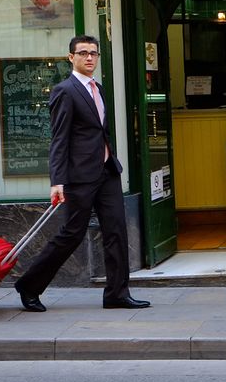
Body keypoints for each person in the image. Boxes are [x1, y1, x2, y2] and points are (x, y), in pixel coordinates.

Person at [15, 35, 149, 311]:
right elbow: (59, 139)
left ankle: (116, 293)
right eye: (83, 53)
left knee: (116, 231)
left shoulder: (97, 88)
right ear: (71, 58)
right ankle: (29, 286)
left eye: (94, 53)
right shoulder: (65, 90)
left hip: (107, 171)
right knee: (72, 234)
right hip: (79, 176)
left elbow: (100, 131)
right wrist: (58, 181)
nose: (89, 58)